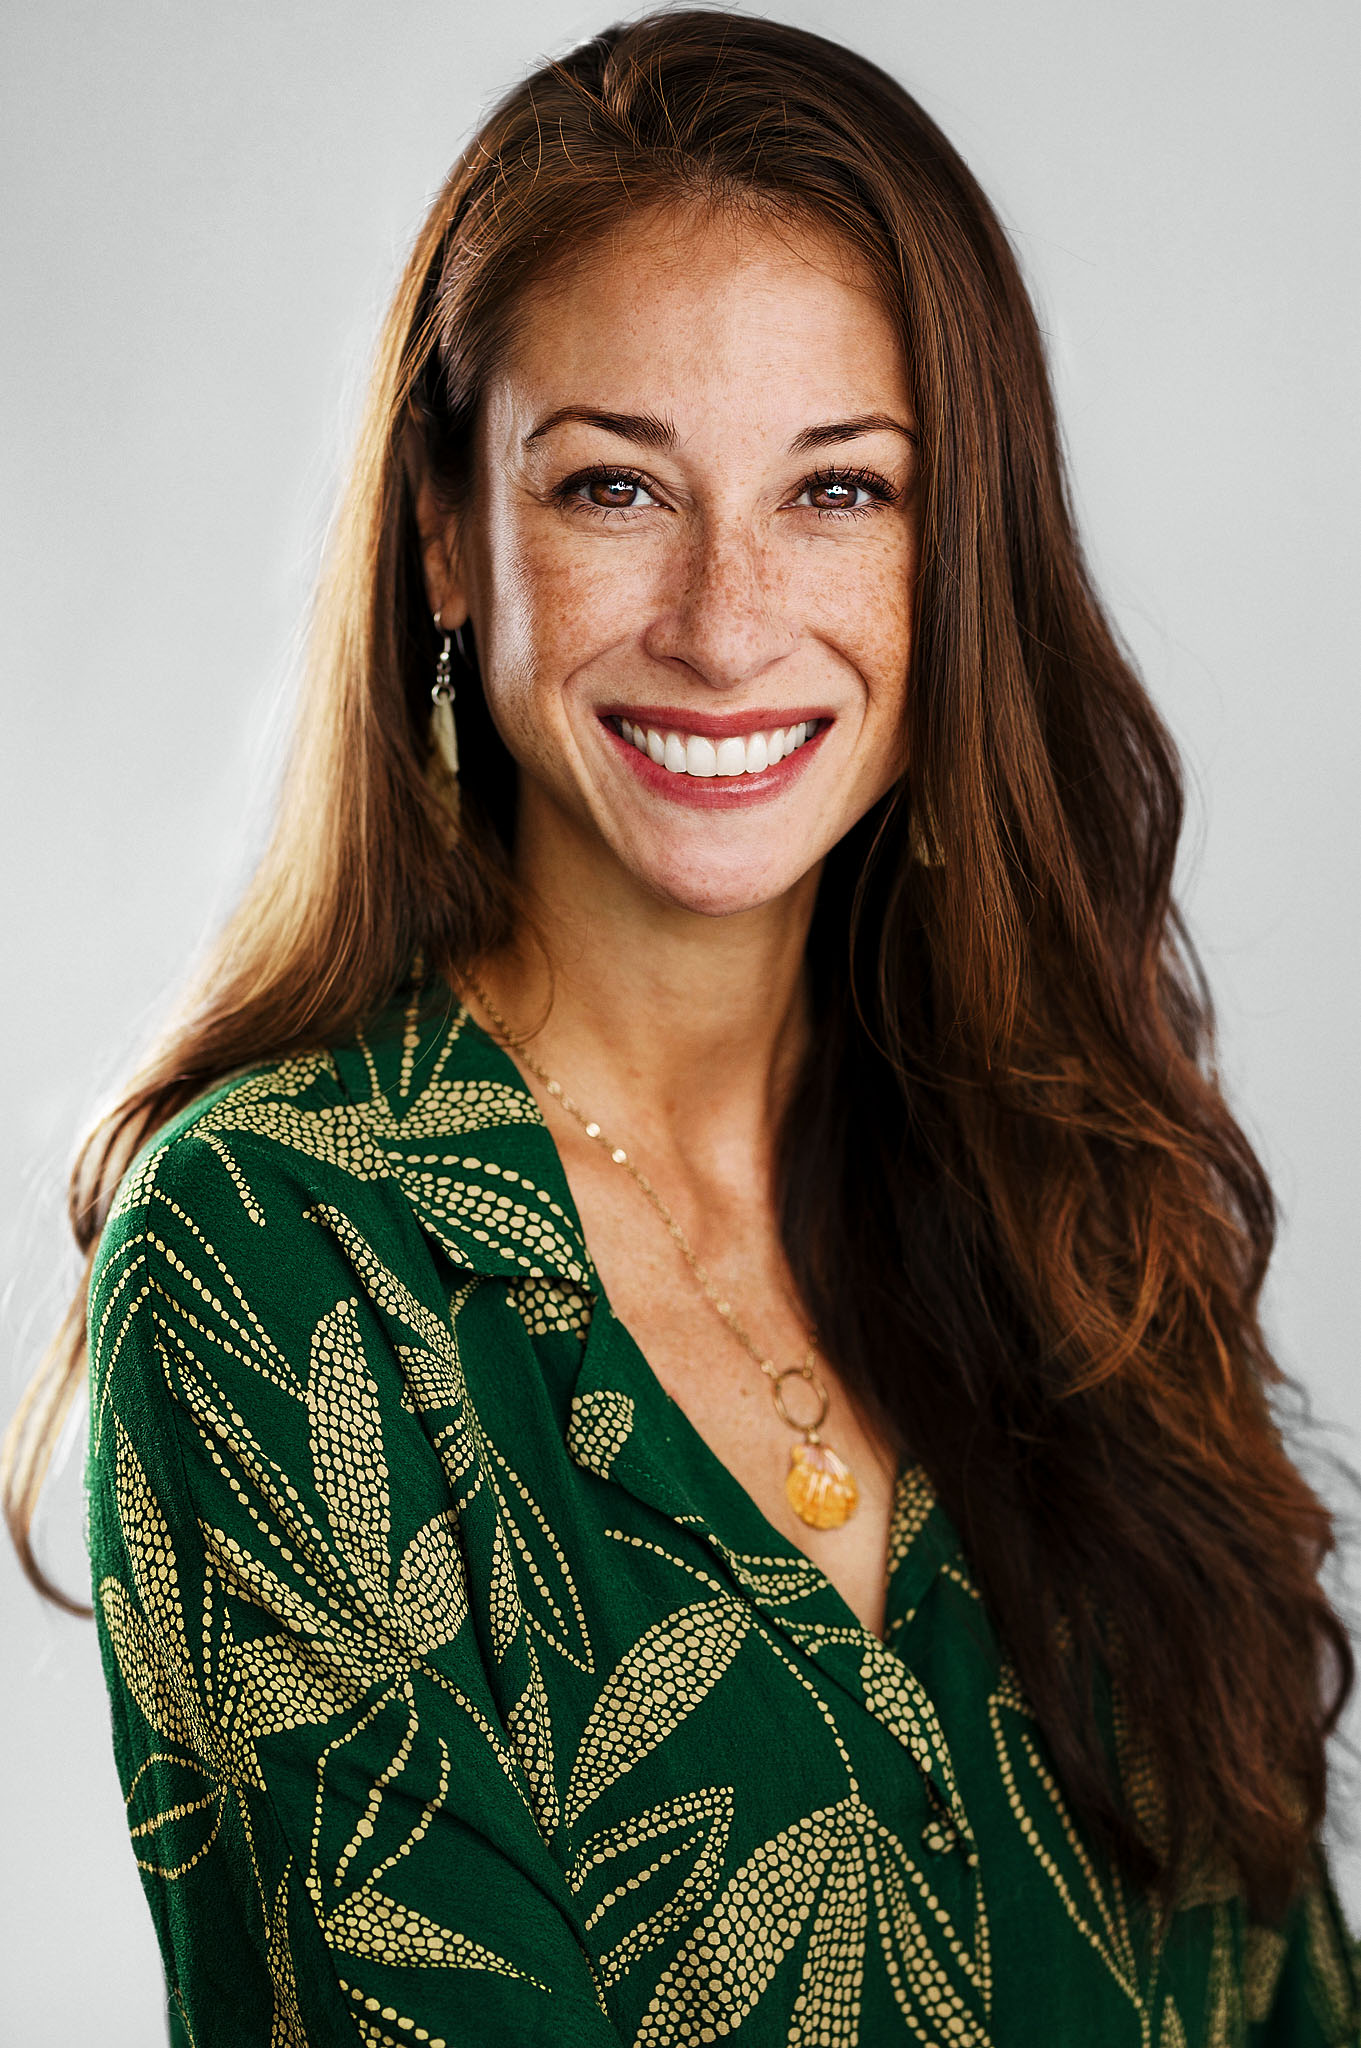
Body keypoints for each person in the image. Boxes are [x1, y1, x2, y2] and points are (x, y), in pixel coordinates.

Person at [5, 10, 1359, 2042]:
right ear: (451, 534)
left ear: (957, 548)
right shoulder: (277, 1263)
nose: (728, 619)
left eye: (841, 490)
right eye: (617, 487)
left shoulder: (1071, 1196)